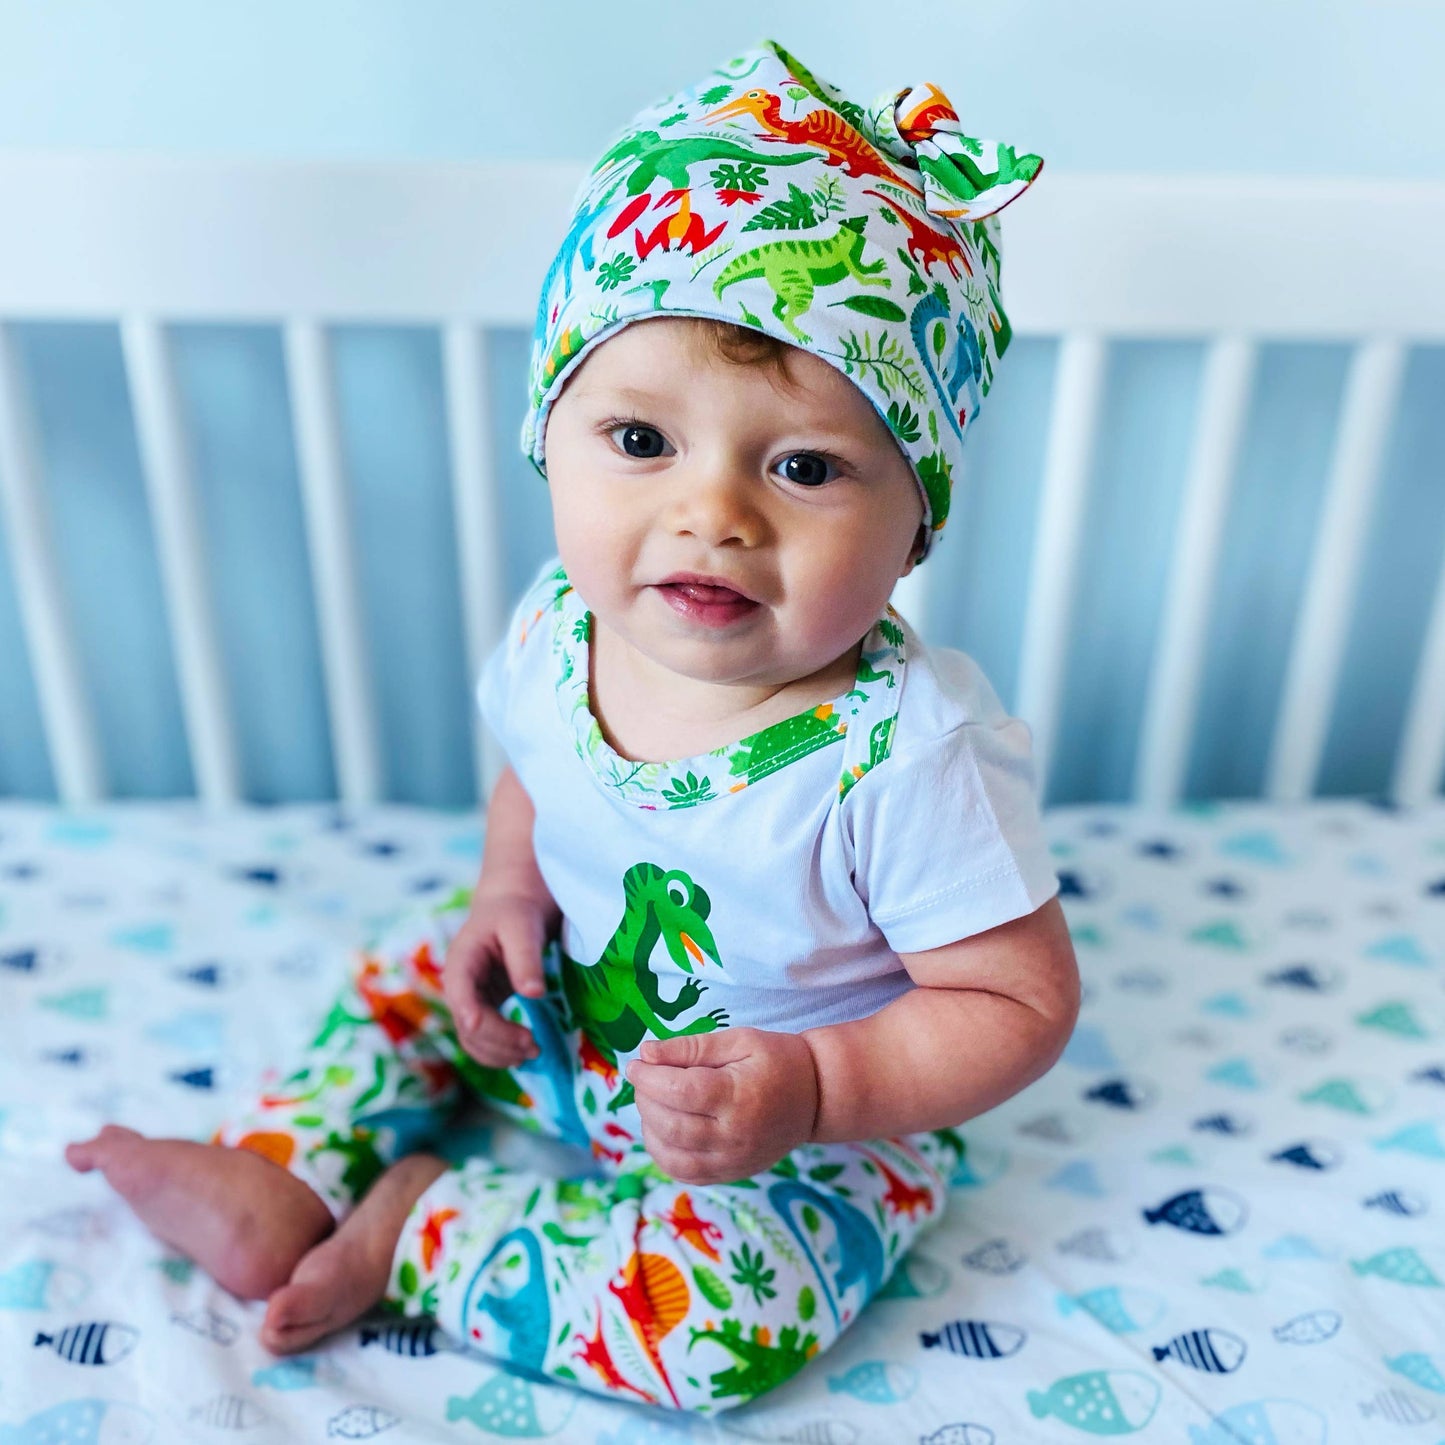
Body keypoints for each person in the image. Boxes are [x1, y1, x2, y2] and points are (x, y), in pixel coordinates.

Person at [65, 37, 1079, 1414]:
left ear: (913, 532)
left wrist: (817, 1083)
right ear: (553, 433)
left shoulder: (903, 753)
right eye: (642, 442)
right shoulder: (563, 626)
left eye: (803, 466)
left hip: (795, 1125)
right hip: (564, 1010)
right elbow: (532, 777)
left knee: (725, 1325)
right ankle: (276, 1166)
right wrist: (503, 889)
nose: (712, 513)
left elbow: (1015, 1002)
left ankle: (420, 1224)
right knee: (408, 977)